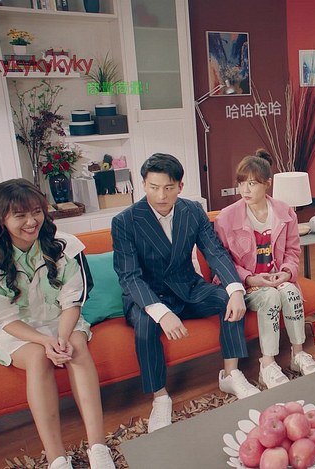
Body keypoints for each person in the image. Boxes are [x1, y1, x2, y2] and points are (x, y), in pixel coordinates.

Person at [0, 179, 115, 469]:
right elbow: (4, 317)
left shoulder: (66, 246)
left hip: (62, 320)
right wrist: (45, 342)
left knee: (76, 346)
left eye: (36, 211)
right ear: (0, 217)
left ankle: (98, 447)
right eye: (20, 215)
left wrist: (61, 337)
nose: (31, 221)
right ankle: (57, 457)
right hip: (17, 329)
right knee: (37, 357)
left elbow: (72, 302)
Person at [112, 153, 259, 434]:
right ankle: (160, 397)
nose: (161, 195)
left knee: (227, 300)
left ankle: (231, 374)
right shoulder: (125, 221)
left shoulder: (192, 211)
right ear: (143, 185)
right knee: (145, 325)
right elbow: (129, 276)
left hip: (188, 287)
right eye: (154, 187)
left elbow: (214, 252)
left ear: (180, 186)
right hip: (148, 295)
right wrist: (161, 313)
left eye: (168, 187)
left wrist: (235, 289)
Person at [214, 149, 315, 389]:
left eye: (252, 183)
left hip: (276, 278)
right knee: (271, 296)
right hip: (246, 284)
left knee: (291, 292)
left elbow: (292, 250)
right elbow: (222, 262)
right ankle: (267, 364)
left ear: (267, 184)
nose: (245, 190)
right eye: (241, 183)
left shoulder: (285, 212)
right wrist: (251, 279)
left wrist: (287, 272)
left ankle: (297, 354)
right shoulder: (226, 218)